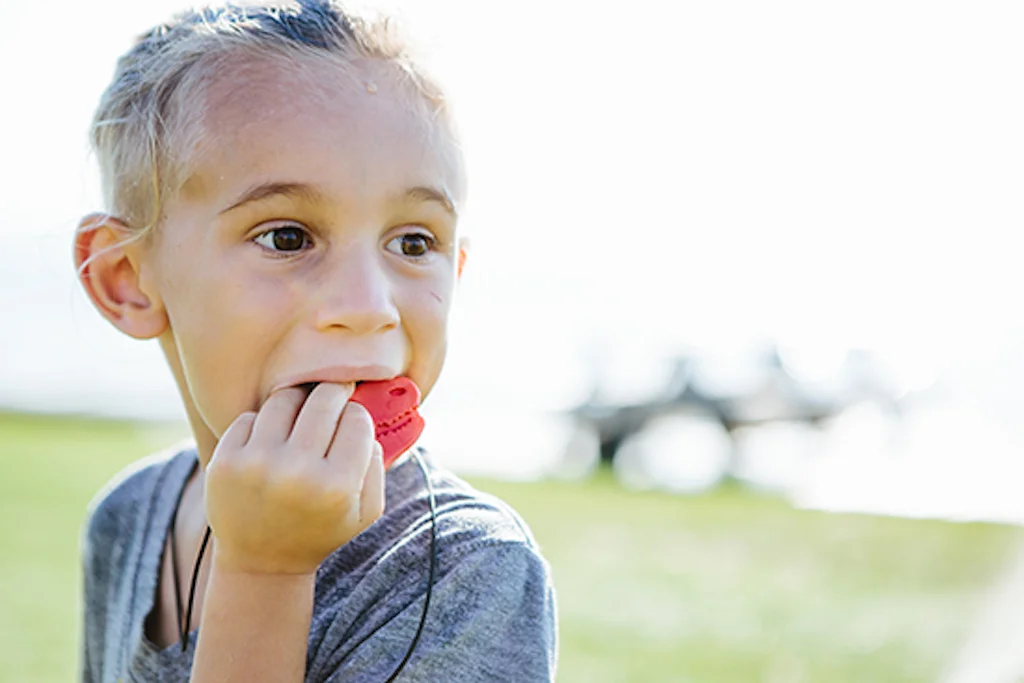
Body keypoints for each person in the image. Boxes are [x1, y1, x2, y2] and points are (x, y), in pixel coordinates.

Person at [73, 2, 558, 681]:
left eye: (414, 242)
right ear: (126, 277)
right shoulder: (127, 519)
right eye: (286, 236)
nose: (368, 308)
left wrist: (265, 573)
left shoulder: (467, 572)